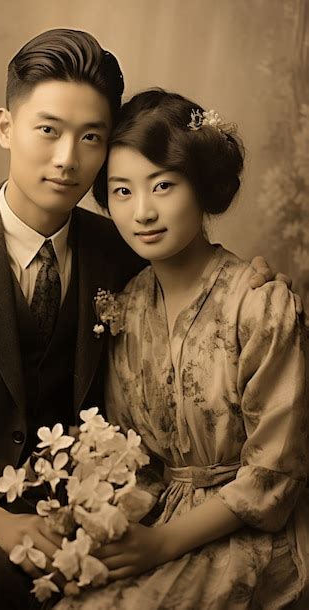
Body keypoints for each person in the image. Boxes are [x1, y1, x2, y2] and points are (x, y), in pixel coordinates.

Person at [0, 30, 291, 610]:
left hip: (83, 508)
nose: (67, 158)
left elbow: (201, 279)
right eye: (48, 130)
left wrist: (258, 279)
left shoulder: (127, 246)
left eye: (91, 138)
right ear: (6, 127)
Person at [54, 90, 308, 609]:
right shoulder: (125, 308)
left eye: (163, 185)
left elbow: (274, 474)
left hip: (250, 530)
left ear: (202, 186)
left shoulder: (260, 305)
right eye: (121, 191)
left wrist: (162, 543)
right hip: (157, 518)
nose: (142, 211)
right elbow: (136, 458)